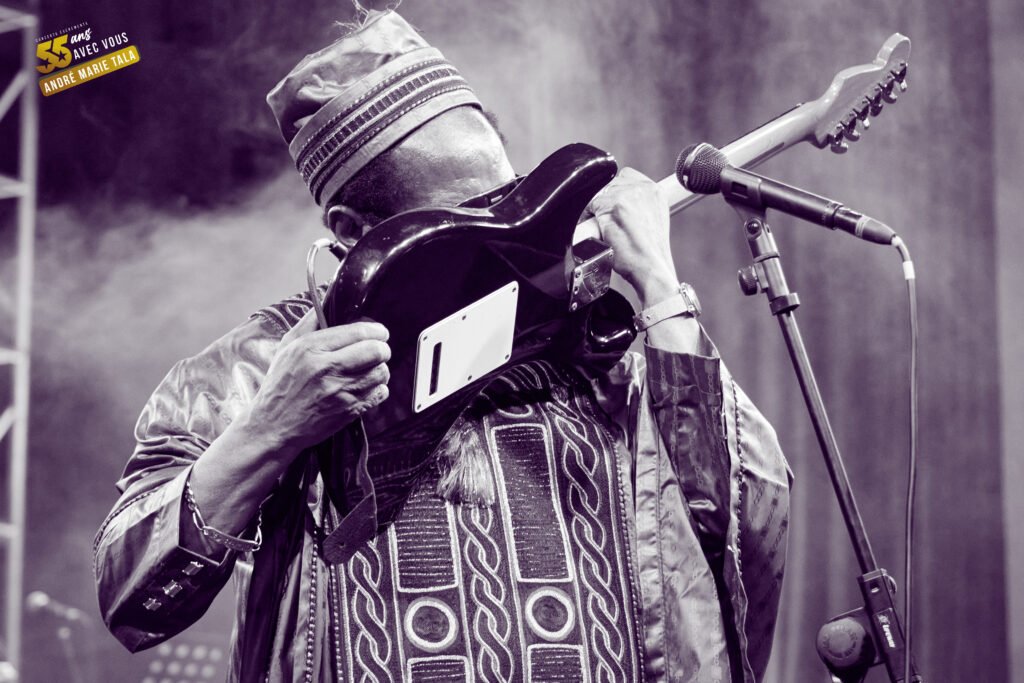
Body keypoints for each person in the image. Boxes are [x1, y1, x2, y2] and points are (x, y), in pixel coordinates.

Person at [94, 9, 791, 683]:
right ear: (352, 230)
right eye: (463, 222)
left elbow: (748, 517)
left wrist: (662, 292)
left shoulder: (587, 344)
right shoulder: (260, 365)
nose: (501, 237)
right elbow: (132, 596)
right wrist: (271, 428)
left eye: (506, 202)